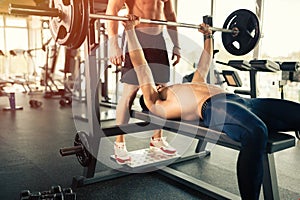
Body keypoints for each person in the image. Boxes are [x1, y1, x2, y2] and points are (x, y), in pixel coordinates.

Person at [123, 15, 300, 200]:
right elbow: (141, 66)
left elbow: (204, 64)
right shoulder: (157, 103)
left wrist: (208, 36)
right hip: (215, 108)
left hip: (245, 102)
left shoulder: (185, 87)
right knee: (256, 132)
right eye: (154, 86)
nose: (158, 84)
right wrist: (130, 30)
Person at [106, 0, 181, 164]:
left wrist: (176, 45)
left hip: (159, 40)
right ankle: (119, 143)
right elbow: (112, 10)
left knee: (162, 94)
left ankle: (157, 139)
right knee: (130, 93)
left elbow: (170, 15)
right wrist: (114, 44)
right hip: (136, 35)